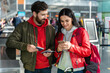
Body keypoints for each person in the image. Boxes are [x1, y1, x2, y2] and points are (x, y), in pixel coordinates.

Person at [6, 1, 55, 73]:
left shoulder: (50, 28)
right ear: (34, 14)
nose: (45, 17)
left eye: (46, 14)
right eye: (42, 15)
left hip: (47, 67)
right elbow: (10, 42)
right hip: (30, 67)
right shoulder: (23, 27)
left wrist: (50, 49)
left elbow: (54, 44)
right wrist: (26, 47)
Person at [54, 8, 91, 73]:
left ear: (72, 19)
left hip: (76, 69)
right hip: (61, 68)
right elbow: (56, 54)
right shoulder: (59, 33)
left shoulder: (81, 32)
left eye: (67, 21)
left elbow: (87, 51)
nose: (64, 23)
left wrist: (71, 47)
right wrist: (58, 50)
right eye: (62, 21)